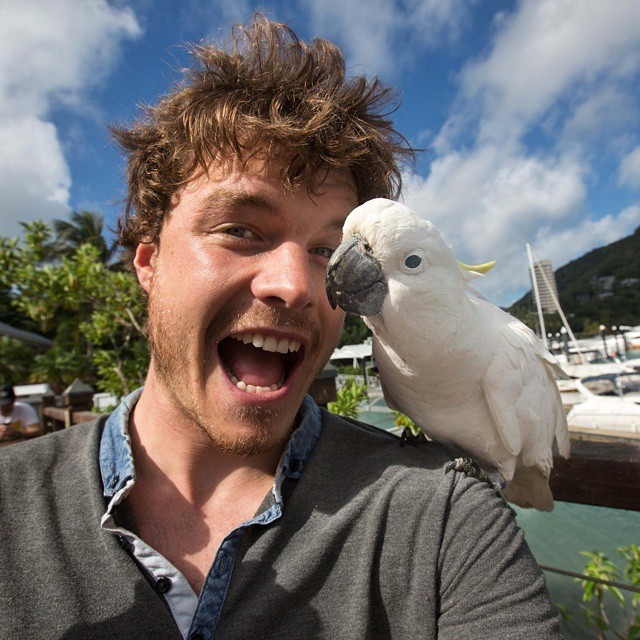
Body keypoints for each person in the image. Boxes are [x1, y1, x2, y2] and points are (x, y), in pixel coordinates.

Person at [0, 15, 564, 640]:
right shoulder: (11, 504)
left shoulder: (440, 518)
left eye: (326, 250)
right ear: (148, 262)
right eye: (240, 230)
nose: (297, 285)